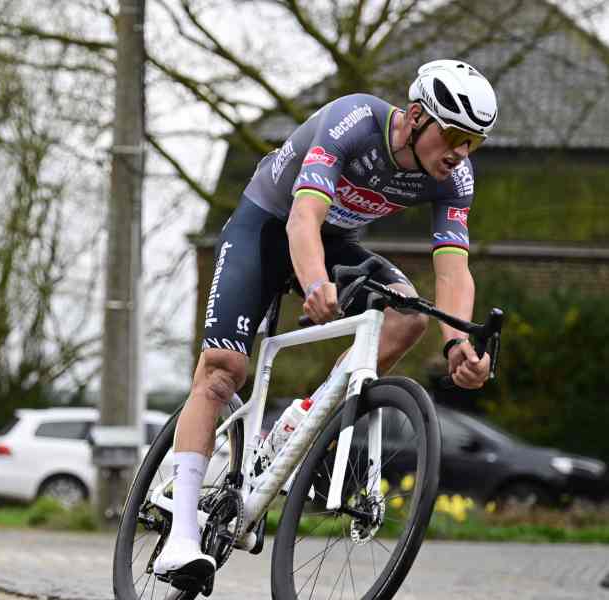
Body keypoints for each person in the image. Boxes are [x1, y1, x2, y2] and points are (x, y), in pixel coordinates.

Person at [153, 59, 498, 583]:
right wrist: (314, 283)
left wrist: (459, 344)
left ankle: (303, 419)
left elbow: (453, 270)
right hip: (266, 230)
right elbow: (303, 216)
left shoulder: (454, 179)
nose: (460, 151)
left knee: (408, 317)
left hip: (334, 243)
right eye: (453, 134)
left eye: (474, 142)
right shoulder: (353, 121)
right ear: (415, 117)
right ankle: (180, 539)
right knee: (223, 371)